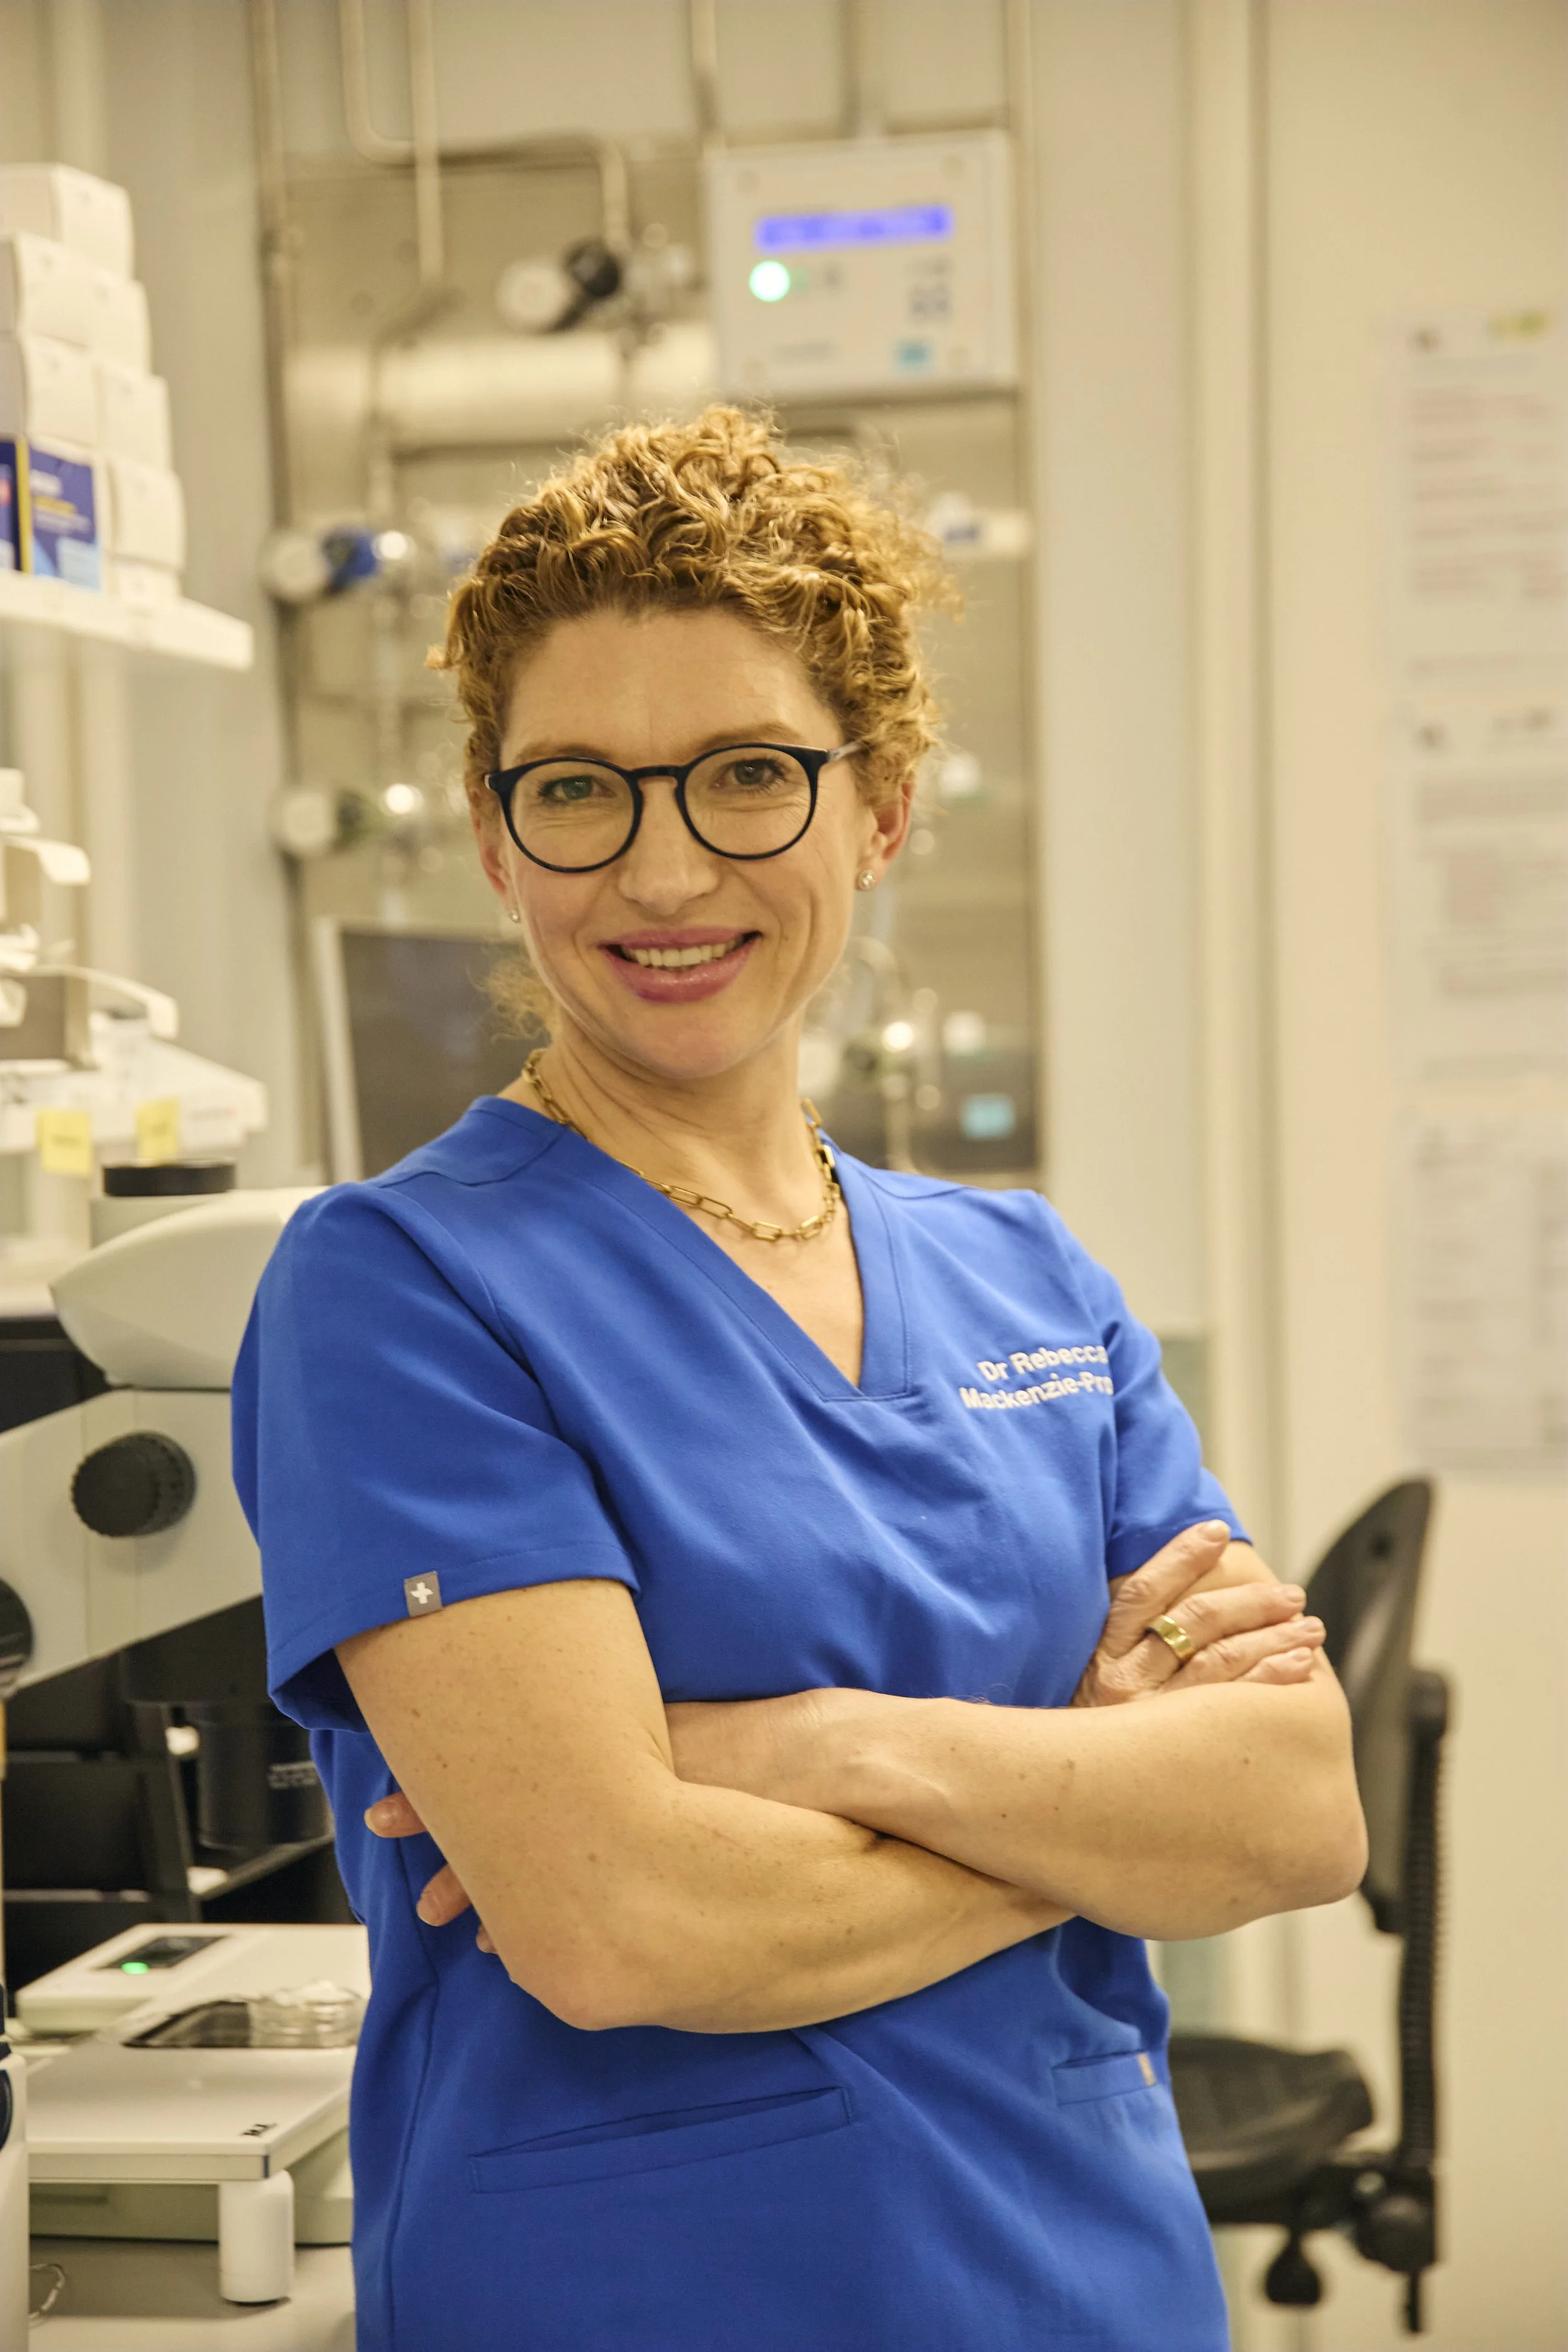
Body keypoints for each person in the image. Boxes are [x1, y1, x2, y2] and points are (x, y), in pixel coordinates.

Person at [233, 406, 1364, 2352]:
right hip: (648, 2294)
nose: (666, 868)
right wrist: (1084, 1804)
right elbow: (619, 1922)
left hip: (1086, 2277)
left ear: (880, 807)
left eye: (750, 773)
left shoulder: (1026, 1278)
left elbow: (1290, 1813)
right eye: (579, 790)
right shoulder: (400, 1287)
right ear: (496, 836)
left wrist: (811, 1744)